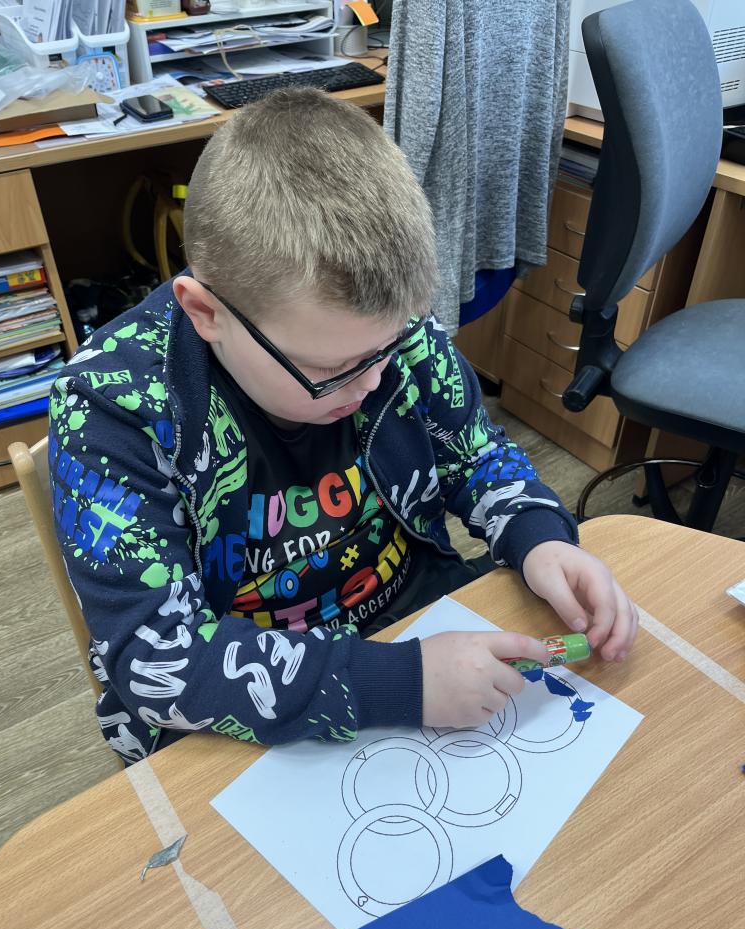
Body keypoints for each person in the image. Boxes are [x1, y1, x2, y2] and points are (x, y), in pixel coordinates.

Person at [48, 89, 637, 765]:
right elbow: (157, 656)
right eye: (329, 370)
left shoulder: (380, 332)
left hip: (416, 624)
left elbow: (475, 457)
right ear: (206, 313)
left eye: (389, 348)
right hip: (240, 706)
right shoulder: (111, 408)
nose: (371, 384)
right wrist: (401, 683)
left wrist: (538, 537)